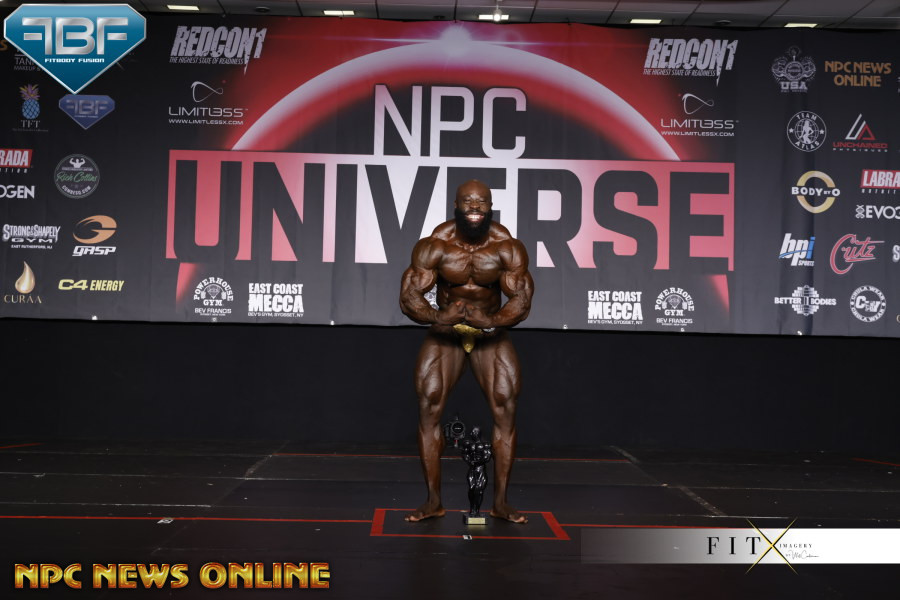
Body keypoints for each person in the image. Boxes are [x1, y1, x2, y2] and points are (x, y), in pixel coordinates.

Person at [399, 179, 534, 524]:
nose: (475, 208)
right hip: (447, 330)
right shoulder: (435, 245)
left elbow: (521, 300)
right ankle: (433, 501)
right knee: (429, 404)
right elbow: (409, 296)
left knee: (505, 407)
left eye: (482, 202)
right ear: (456, 206)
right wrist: (437, 316)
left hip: (489, 331)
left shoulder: (507, 247)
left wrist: (492, 320)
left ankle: (501, 503)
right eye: (468, 202)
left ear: (490, 207)